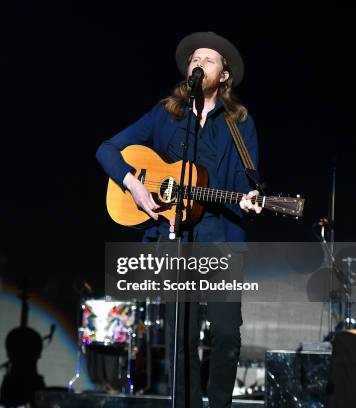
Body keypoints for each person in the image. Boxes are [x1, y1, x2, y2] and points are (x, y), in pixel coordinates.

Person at [96, 32, 261, 407]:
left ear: (223, 76)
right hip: (174, 236)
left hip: (220, 237)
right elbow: (106, 149)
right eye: (194, 59)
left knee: (225, 335)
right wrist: (134, 186)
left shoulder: (241, 123)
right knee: (179, 339)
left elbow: (244, 185)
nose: (199, 63)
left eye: (209, 59)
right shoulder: (165, 115)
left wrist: (250, 199)